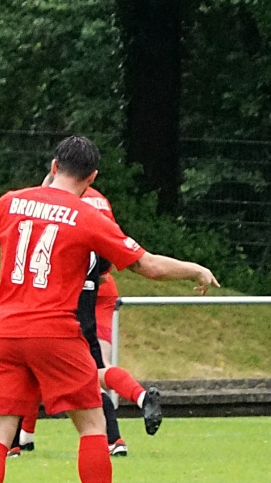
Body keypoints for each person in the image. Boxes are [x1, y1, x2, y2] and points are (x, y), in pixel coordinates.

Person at [0, 135, 218, 483]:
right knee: (92, 425)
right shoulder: (88, 216)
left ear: (53, 166)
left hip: (3, 331)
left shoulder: (9, 202)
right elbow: (147, 266)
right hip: (55, 332)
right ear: (91, 178)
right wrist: (193, 269)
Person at [10, 186, 165, 458]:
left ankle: (111, 437)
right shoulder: (99, 199)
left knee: (76, 372)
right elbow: (111, 258)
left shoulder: (55, 201)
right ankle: (25, 437)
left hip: (67, 297)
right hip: (97, 287)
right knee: (93, 368)